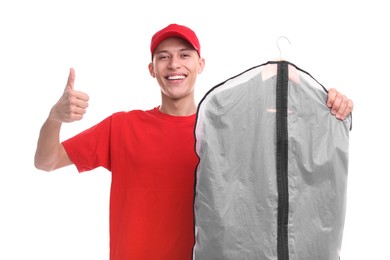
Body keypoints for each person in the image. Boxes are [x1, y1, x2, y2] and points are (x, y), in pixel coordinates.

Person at [34, 23, 354, 260]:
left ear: (200, 65)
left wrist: (331, 106)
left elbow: (282, 166)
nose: (174, 65)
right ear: (152, 69)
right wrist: (55, 117)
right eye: (164, 57)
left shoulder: (229, 130)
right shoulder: (122, 126)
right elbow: (46, 161)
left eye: (184, 55)